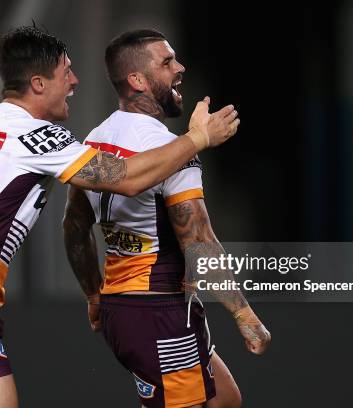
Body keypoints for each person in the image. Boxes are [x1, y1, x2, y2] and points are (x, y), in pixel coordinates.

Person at [0, 25, 238, 408]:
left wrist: (93, 292)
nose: (75, 80)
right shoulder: (36, 136)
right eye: (67, 72)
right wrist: (197, 139)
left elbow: (74, 223)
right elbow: (127, 179)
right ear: (39, 83)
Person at [63, 29, 271, 408]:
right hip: (156, 311)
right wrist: (243, 312)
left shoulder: (94, 140)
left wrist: (94, 294)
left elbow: (74, 228)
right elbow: (198, 241)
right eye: (167, 62)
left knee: (224, 398)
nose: (180, 68)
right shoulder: (169, 149)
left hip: (129, 307)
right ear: (137, 80)